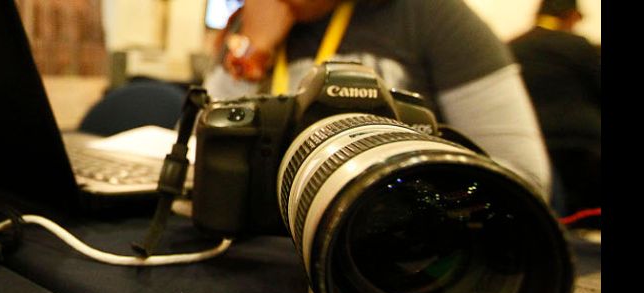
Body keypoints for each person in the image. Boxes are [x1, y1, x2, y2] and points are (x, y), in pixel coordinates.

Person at [203, 0, 553, 201]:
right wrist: (253, 49)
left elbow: (525, 177)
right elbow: (196, 150)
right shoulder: (253, 23)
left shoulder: (434, 15)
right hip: (262, 243)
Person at [509, 0, 601, 218]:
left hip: (533, 146)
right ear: (571, 16)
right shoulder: (579, 46)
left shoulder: (512, 47)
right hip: (585, 147)